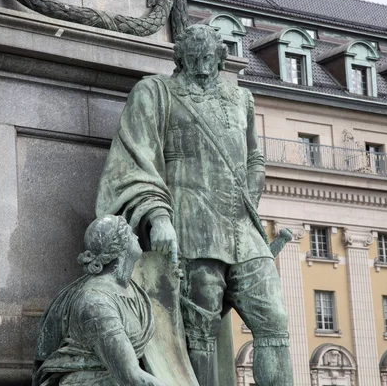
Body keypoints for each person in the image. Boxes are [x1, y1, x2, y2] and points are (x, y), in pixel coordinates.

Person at [96, 24, 293, 385]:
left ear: (221, 58)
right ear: (180, 58)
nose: (203, 68)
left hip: (242, 226)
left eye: (209, 59)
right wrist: (158, 216)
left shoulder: (241, 98)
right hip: (191, 223)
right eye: (194, 59)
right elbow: (136, 159)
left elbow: (254, 157)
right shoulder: (156, 92)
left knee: (274, 320)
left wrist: (252, 190)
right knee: (199, 329)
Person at [33, 215, 163, 386]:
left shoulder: (131, 289)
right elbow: (132, 376)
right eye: (131, 234)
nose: (137, 236)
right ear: (119, 247)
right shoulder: (95, 303)